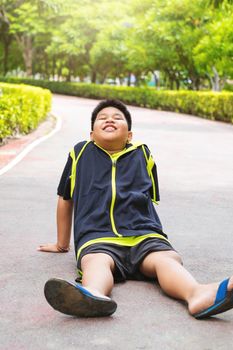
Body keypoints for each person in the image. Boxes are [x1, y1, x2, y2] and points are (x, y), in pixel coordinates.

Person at [38, 99, 233, 319]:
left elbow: (149, 198)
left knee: (165, 260)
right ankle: (93, 294)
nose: (110, 119)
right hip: (97, 236)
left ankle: (196, 294)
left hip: (143, 233)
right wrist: (61, 244)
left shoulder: (143, 155)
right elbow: (65, 198)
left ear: (129, 135)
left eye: (117, 118)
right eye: (102, 118)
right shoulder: (79, 153)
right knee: (96, 262)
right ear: (91, 134)